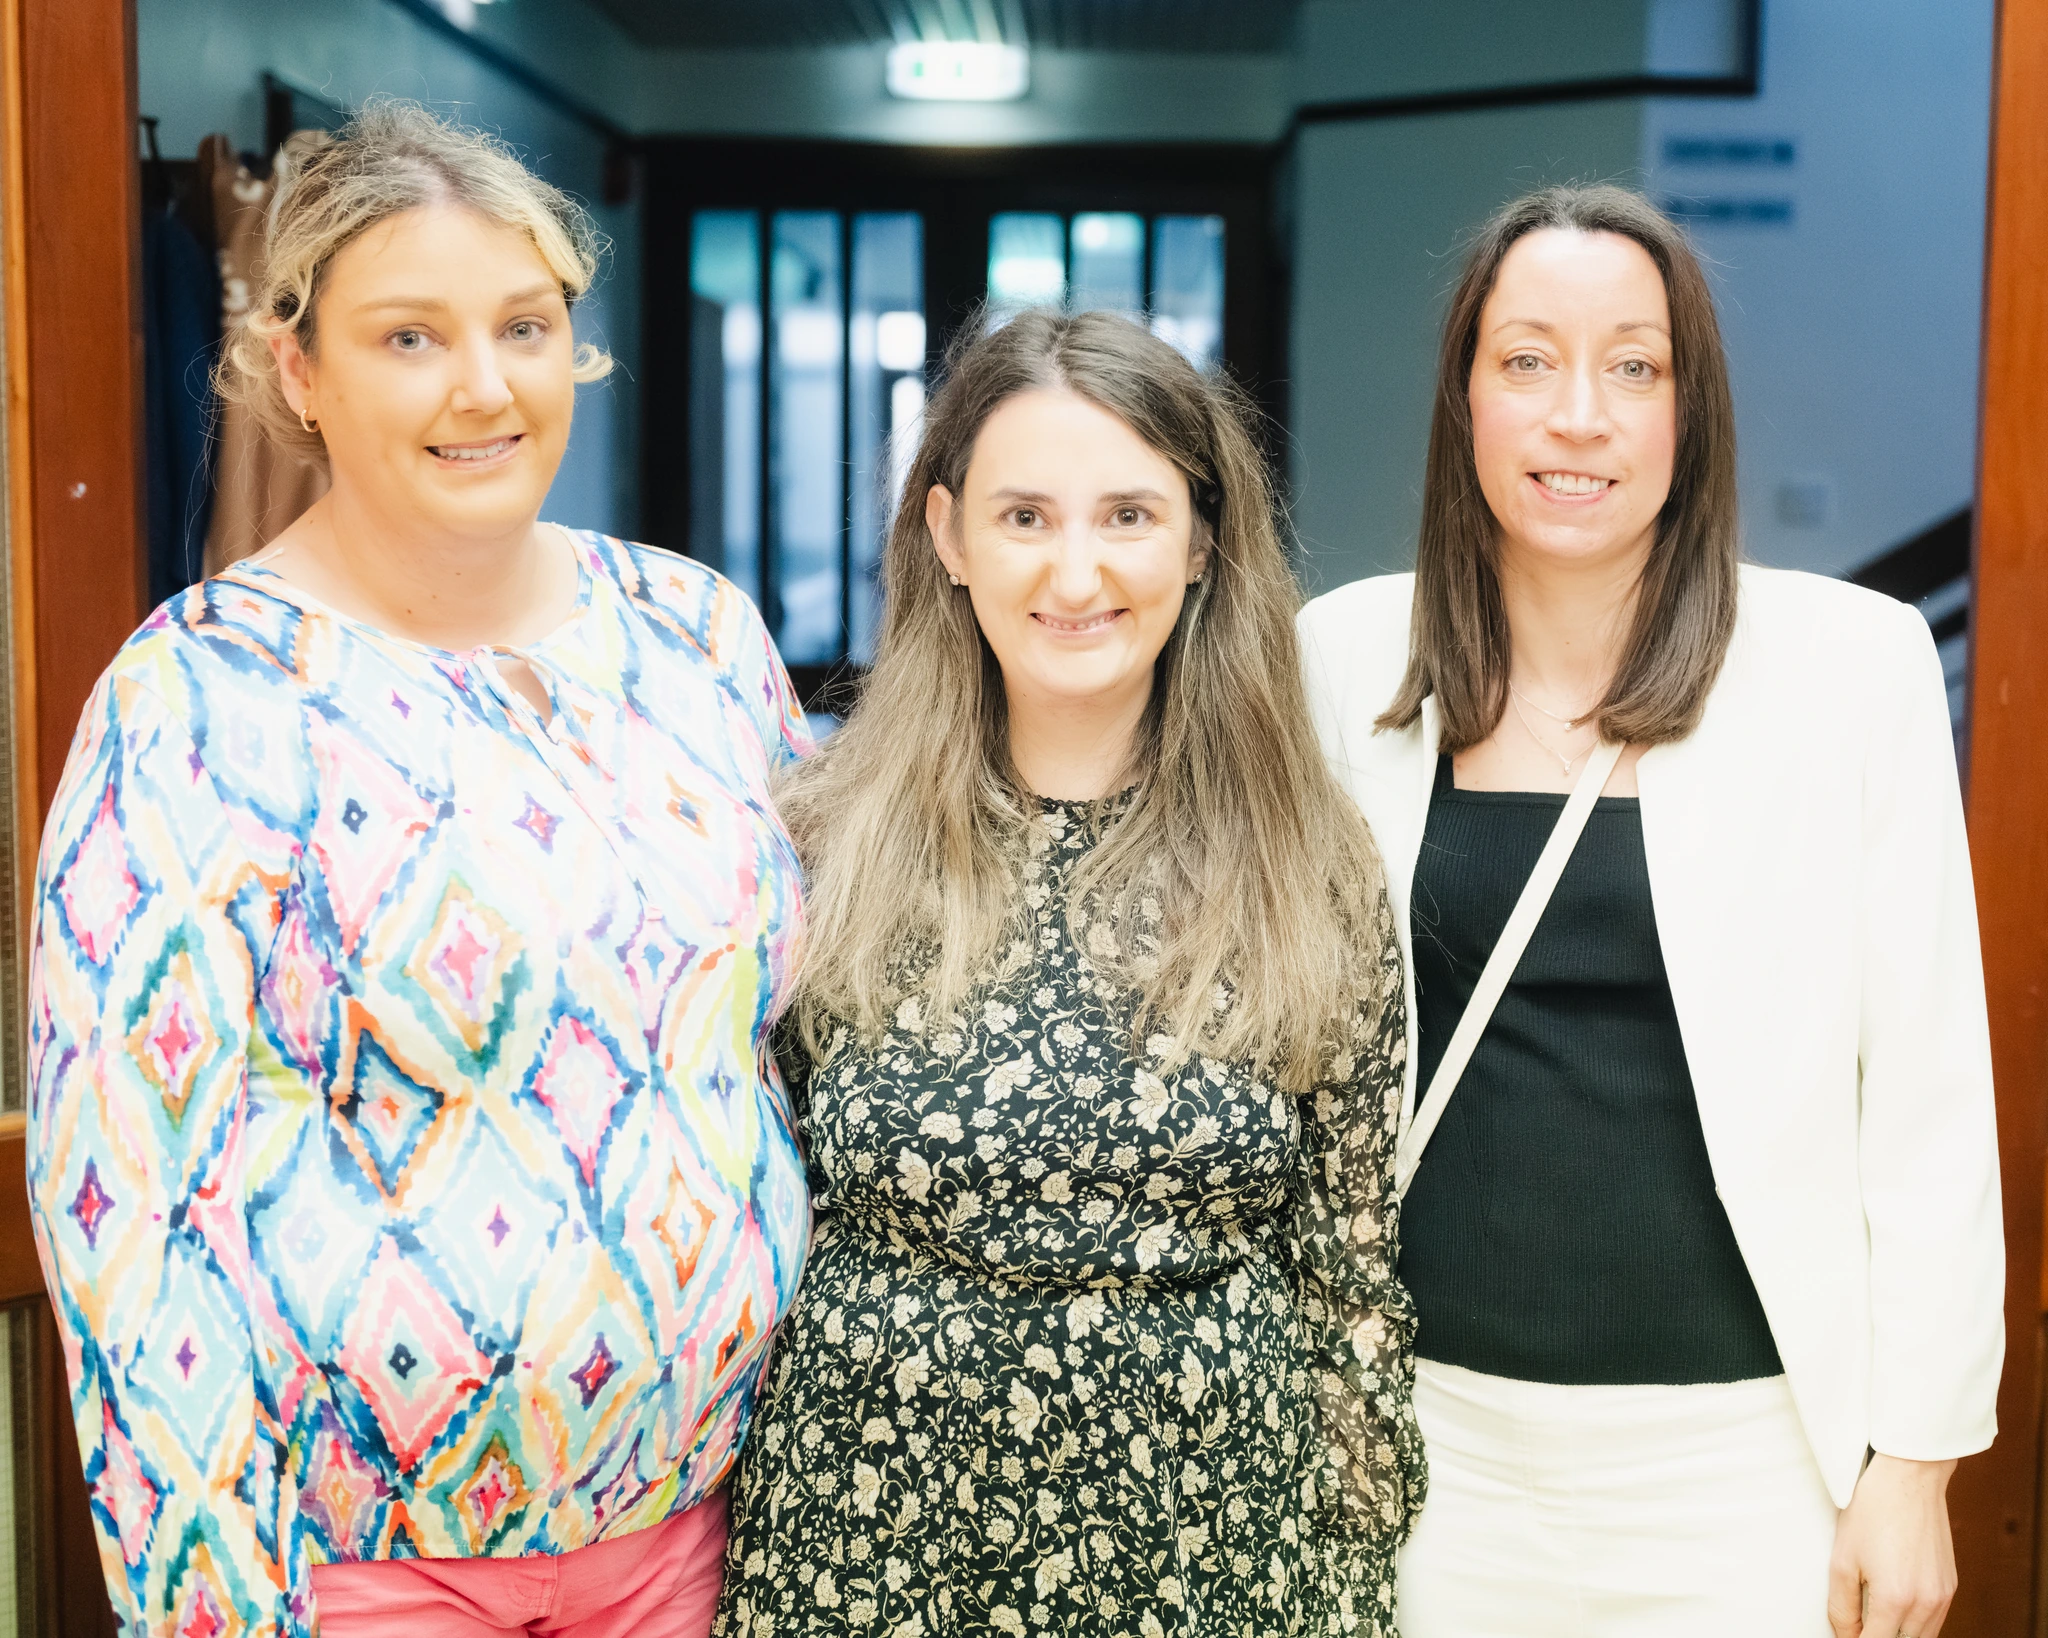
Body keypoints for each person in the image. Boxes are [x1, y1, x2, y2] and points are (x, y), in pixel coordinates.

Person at [27, 103, 810, 1638]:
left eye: (525, 325)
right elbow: (129, 1207)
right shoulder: (196, 697)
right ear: (298, 368)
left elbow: (805, 1041)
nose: (483, 386)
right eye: (410, 337)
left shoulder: (699, 637)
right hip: (364, 1571)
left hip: (708, 1529)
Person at [1298, 182, 2002, 1638]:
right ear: (1465, 399)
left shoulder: (1846, 668)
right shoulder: (1339, 657)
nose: (1580, 414)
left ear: (1691, 411)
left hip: (1746, 1463)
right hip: (1426, 1451)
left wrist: (1915, 1463)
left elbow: (1929, 1095)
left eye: (1635, 364)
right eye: (1527, 360)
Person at [715, 309, 1422, 1637]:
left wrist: (1364, 1548)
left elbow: (1349, 1256)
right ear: (948, 537)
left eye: (1129, 515)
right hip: (870, 1547)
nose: (1077, 571)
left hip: (1227, 1544)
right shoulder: (821, 840)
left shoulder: (1304, 861)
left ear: (1202, 544)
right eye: (1026, 515)